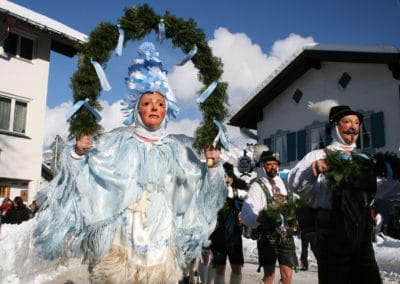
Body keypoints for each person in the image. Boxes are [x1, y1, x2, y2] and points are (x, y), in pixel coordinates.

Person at [33, 42, 227, 283]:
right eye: (147, 103)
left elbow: (203, 190)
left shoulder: (178, 149)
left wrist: (212, 165)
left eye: (160, 104)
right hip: (124, 233)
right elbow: (85, 172)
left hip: (160, 234)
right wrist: (78, 153)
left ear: (168, 111)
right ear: (137, 110)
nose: (154, 107)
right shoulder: (116, 142)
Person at [287, 105, 382, 284]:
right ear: (334, 127)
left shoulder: (367, 159)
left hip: (362, 232)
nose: (353, 126)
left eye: (356, 122)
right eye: (347, 122)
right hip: (332, 232)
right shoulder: (319, 154)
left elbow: (381, 188)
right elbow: (295, 184)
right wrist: (313, 168)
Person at [241, 150, 298, 284]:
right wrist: (258, 218)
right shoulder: (257, 186)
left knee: (287, 274)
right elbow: (246, 213)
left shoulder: (283, 183)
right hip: (268, 234)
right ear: (263, 166)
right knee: (269, 274)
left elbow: (295, 199)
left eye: (275, 164)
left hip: (286, 233)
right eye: (269, 164)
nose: (273, 167)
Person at [208, 161, 248, 284]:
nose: (227, 179)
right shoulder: (213, 192)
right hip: (218, 234)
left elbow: (247, 207)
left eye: (229, 176)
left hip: (235, 235)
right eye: (225, 176)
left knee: (237, 268)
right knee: (220, 268)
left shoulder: (238, 192)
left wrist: (243, 216)